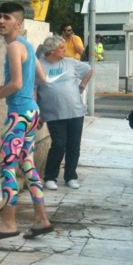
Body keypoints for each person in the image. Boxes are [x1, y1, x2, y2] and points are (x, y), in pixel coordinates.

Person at [0, 2, 53, 243]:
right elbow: (41, 78)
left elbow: (17, 84)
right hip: (32, 114)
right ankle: (41, 219)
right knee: (28, 165)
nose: (1, 21)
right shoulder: (26, 45)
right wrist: (11, 85)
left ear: (17, 23)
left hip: (18, 116)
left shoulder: (13, 47)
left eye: (6, 17)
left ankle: (9, 223)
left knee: (7, 167)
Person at [37, 36, 93, 190]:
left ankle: (71, 176)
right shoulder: (39, 66)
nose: (65, 50)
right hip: (53, 114)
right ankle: (50, 177)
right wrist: (36, 112)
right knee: (59, 144)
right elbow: (34, 88)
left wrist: (82, 86)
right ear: (52, 50)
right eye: (61, 48)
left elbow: (89, 70)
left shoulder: (70, 62)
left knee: (74, 145)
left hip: (75, 111)